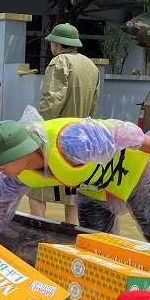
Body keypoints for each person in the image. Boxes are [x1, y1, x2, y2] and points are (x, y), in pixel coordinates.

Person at [0, 109, 150, 254]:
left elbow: (126, 134)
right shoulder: (15, 176)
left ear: (21, 152)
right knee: (98, 249)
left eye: (2, 162)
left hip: (133, 174)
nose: (0, 169)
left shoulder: (71, 141)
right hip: (94, 188)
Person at [30, 23, 100, 224]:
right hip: (81, 137)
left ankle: (39, 230)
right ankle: (71, 233)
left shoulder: (59, 62)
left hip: (56, 135)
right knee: (72, 191)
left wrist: (38, 130)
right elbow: (93, 106)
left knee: (37, 187)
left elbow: (51, 101)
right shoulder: (91, 66)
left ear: (57, 44)